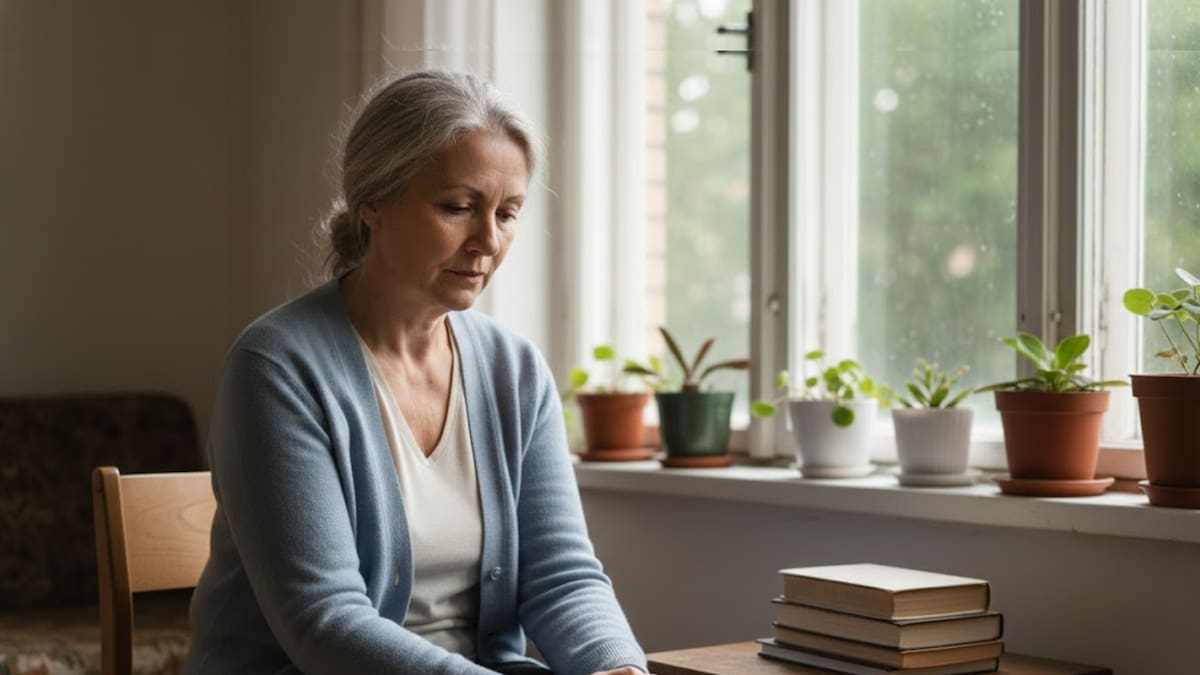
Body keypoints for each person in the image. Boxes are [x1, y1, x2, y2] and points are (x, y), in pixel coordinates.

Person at [183, 70, 648, 675]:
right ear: (373, 202)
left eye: (508, 214)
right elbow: (325, 622)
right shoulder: (277, 368)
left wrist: (617, 667)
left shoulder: (516, 371)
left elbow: (561, 576)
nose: (487, 241)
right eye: (458, 207)